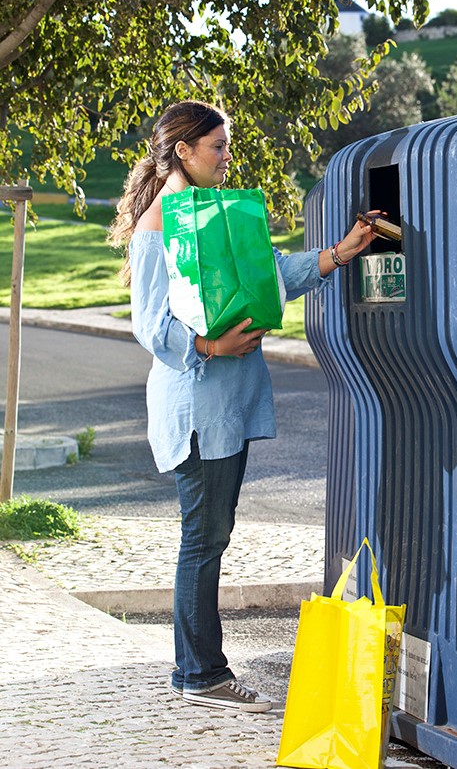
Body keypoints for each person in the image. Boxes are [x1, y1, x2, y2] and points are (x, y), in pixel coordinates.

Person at [108, 99, 379, 712]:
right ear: (183, 150)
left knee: (210, 536)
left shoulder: (213, 212)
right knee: (203, 539)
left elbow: (268, 273)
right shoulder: (161, 224)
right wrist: (210, 344)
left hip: (226, 403)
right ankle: (202, 674)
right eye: (217, 148)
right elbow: (149, 324)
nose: (227, 158)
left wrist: (338, 252)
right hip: (198, 404)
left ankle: (195, 670)